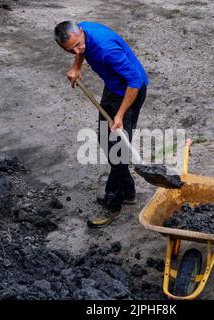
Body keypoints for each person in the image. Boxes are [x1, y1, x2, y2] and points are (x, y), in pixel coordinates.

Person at [54, 21, 148, 228]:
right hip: (114, 87)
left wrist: (120, 115)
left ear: (80, 33)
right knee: (107, 142)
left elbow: (134, 81)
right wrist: (76, 66)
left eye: (79, 44)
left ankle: (112, 204)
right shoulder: (82, 29)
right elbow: (80, 49)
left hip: (129, 92)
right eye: (71, 50)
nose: (78, 50)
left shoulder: (107, 50)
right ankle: (128, 192)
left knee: (118, 149)